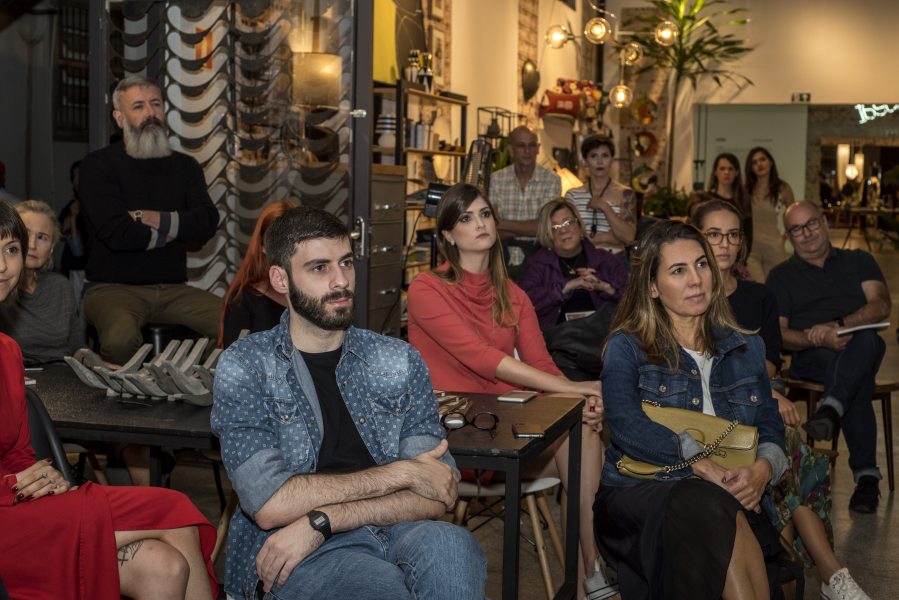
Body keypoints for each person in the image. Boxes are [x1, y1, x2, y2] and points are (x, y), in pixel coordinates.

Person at [211, 206, 486, 600]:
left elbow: (437, 490)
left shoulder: (397, 359)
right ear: (280, 279)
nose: (341, 281)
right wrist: (403, 473)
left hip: (375, 527)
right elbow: (269, 503)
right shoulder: (247, 365)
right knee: (378, 588)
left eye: (345, 263)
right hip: (297, 548)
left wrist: (326, 518)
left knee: (455, 548)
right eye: (319, 268)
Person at [0, 200, 218, 600]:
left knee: (164, 565)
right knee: (174, 515)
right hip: (7, 519)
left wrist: (40, 474)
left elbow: (15, 450)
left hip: (20, 501)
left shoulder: (7, 351)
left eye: (11, 249)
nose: (2, 265)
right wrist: (13, 482)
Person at [406, 183, 607, 599]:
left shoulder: (514, 295)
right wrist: (576, 388)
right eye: (466, 218)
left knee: (585, 434)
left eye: (484, 214)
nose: (480, 223)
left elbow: (541, 365)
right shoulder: (427, 288)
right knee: (578, 434)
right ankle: (593, 578)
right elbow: (481, 358)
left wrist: (577, 401)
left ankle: (591, 577)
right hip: (455, 441)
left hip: (513, 433)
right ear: (448, 235)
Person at [597, 219, 789, 600]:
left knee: (716, 508)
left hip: (732, 492)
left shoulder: (747, 348)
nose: (696, 280)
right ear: (652, 287)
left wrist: (763, 470)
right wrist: (698, 463)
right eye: (678, 270)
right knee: (706, 501)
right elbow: (625, 425)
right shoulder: (628, 347)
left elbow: (770, 422)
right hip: (642, 491)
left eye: (702, 265)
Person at [694, 199, 872, 600]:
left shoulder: (759, 296)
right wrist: (767, 393)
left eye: (733, 235)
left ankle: (809, 569)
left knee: (786, 443)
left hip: (755, 396)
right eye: (713, 234)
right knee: (789, 446)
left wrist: (767, 391)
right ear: (696, 238)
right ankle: (827, 572)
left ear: (742, 242)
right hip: (712, 411)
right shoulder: (688, 295)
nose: (724, 244)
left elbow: (769, 361)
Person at [79, 75, 221, 365]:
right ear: (120, 118)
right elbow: (119, 235)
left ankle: (198, 382)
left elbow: (207, 223)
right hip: (111, 288)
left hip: (174, 288)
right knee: (120, 340)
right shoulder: (98, 166)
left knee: (237, 324)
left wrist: (148, 217)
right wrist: (180, 230)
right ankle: (120, 390)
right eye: (139, 106)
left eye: (155, 104)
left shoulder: (186, 166)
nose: (150, 113)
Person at [767, 201, 891, 514]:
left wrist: (838, 327)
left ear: (823, 221)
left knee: (865, 340)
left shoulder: (859, 260)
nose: (806, 233)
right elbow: (779, 334)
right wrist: (817, 337)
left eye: (811, 223)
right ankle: (866, 478)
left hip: (859, 344)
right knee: (857, 380)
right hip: (812, 357)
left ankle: (831, 408)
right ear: (788, 236)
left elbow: (880, 305)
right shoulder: (781, 276)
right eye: (797, 229)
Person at [519, 198, 628, 380]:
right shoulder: (537, 264)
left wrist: (605, 287)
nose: (563, 230)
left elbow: (633, 300)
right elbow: (526, 305)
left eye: (568, 222)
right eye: (555, 227)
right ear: (548, 235)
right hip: (562, 351)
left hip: (605, 345)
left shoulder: (605, 260)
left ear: (579, 225)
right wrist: (567, 286)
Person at [0, 200, 82, 364]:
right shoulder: (3, 286)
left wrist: (95, 364)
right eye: (26, 235)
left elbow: (76, 347)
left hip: (64, 370)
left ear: (51, 248)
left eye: (42, 237)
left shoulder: (60, 286)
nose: (31, 245)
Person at [218, 200, 296, 348]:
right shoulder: (242, 300)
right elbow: (233, 359)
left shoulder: (313, 294)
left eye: (292, 240)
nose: (285, 250)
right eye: (276, 241)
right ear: (262, 246)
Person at [490, 126, 561, 276]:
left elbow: (545, 228)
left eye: (532, 145)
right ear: (511, 150)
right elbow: (491, 228)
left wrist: (502, 223)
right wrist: (530, 229)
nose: (527, 151)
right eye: (521, 146)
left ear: (538, 149)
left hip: (539, 263)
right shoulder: (495, 180)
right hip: (500, 261)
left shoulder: (551, 180)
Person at [564, 135, 636, 260]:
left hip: (615, 259)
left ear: (612, 160)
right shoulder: (573, 195)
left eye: (605, 155)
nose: (599, 161)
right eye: (593, 156)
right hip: (581, 258)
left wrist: (604, 206)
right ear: (585, 161)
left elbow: (629, 237)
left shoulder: (626, 193)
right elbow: (568, 236)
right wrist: (608, 237)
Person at [745, 147, 795, 282]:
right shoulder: (746, 190)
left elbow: (794, 216)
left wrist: (784, 237)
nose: (759, 164)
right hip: (751, 249)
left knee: (778, 285)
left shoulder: (783, 188)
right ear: (751, 168)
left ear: (770, 162)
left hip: (774, 246)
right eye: (754, 162)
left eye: (762, 159)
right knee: (757, 288)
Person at [707, 153, 752, 252]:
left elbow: (748, 234)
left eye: (730, 169)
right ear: (715, 172)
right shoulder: (706, 200)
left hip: (737, 255)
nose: (726, 172)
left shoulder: (743, 200)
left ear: (737, 173)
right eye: (722, 169)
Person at [59, 160, 88, 300]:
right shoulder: (72, 206)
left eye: (80, 175)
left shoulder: (96, 205)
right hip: (73, 268)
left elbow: (79, 250)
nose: (76, 181)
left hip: (89, 269)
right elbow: (59, 231)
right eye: (74, 176)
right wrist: (72, 216)